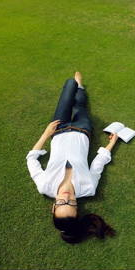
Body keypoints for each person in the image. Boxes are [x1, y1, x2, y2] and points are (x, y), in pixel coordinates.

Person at [26, 72, 119, 244]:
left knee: (69, 85)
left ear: (53, 207)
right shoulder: (89, 187)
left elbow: (31, 160)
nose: (67, 196)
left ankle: (76, 85)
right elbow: (98, 164)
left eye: (61, 202)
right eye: (71, 203)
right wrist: (112, 144)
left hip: (58, 129)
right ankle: (81, 86)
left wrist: (46, 134)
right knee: (80, 105)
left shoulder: (45, 186)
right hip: (82, 130)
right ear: (77, 209)